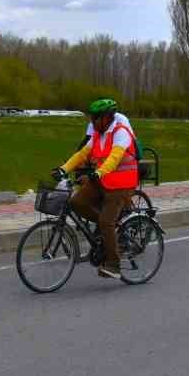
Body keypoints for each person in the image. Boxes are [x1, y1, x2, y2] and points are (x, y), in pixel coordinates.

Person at [54, 97, 139, 280]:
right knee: (76, 201)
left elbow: (114, 158)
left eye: (95, 118)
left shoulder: (120, 132)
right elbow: (82, 154)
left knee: (106, 222)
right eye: (92, 118)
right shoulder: (99, 135)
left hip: (121, 184)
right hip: (104, 179)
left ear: (107, 117)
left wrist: (99, 172)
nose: (92, 122)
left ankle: (114, 265)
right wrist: (64, 168)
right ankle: (104, 229)